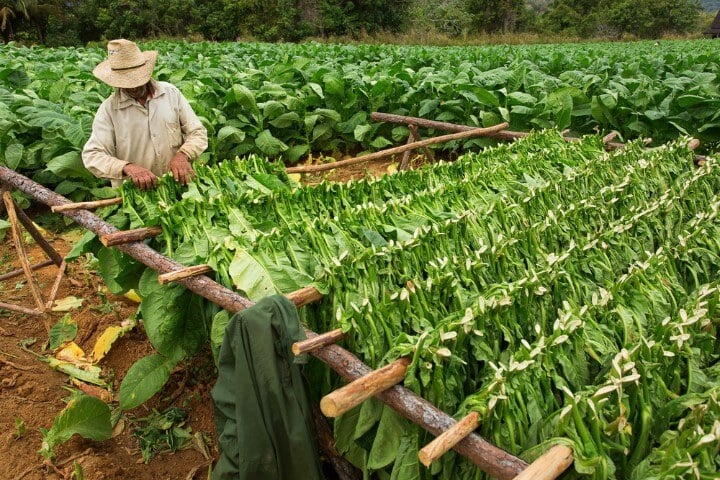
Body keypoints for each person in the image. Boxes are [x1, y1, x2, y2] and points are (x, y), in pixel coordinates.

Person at [82, 39, 208, 190]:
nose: (133, 87)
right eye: (125, 82)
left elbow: (197, 132)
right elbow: (92, 156)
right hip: (138, 196)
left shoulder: (170, 93)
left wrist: (183, 155)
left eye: (136, 80)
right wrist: (128, 167)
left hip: (179, 185)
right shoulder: (109, 110)